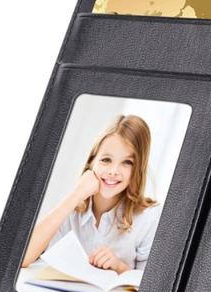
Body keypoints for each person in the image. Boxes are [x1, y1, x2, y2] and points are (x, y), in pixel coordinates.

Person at [22, 114, 161, 274]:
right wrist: (77, 194)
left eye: (127, 162)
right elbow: (23, 257)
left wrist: (119, 267)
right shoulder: (72, 207)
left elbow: (153, 284)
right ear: (92, 162)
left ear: (138, 170)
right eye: (106, 160)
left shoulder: (149, 219)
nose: (113, 171)